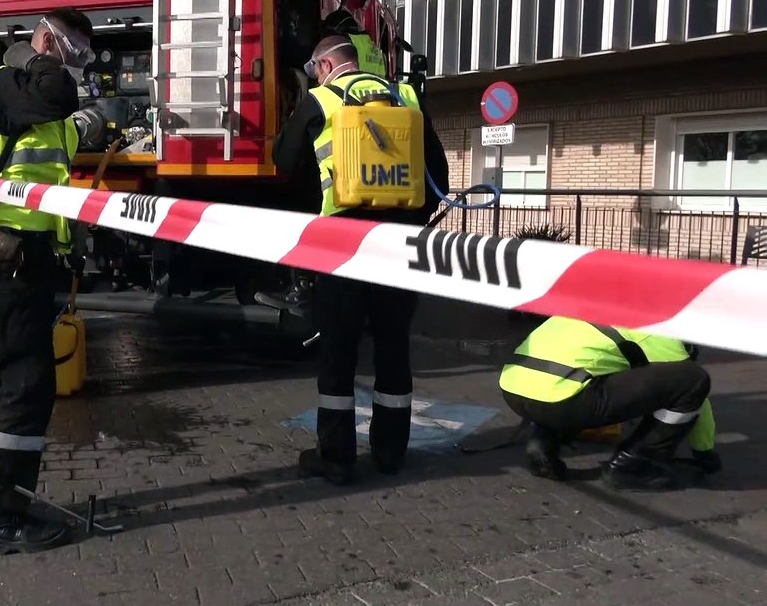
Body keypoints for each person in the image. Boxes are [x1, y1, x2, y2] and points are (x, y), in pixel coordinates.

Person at [269, 34, 449, 485]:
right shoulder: (404, 95)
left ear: (327, 65)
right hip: (399, 245)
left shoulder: (321, 100)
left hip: (341, 244)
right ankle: (390, 453)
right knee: (393, 348)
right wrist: (412, 219)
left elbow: (285, 160)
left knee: (338, 352)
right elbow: (438, 173)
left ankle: (337, 457)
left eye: (315, 68)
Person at [0, 7, 92, 555]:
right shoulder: (7, 82)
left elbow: (50, 153)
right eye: (72, 48)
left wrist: (88, 128)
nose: (77, 61)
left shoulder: (30, 95)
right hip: (11, 261)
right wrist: (36, 55)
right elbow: (57, 96)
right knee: (26, 387)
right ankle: (3, 518)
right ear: (46, 39)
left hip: (17, 260)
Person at [499, 315, 720, 490]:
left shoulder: (598, 302)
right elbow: (692, 389)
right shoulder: (657, 328)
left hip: (513, 388)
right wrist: (704, 451)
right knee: (692, 378)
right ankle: (633, 465)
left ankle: (544, 439)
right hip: (563, 398)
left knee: (579, 376)